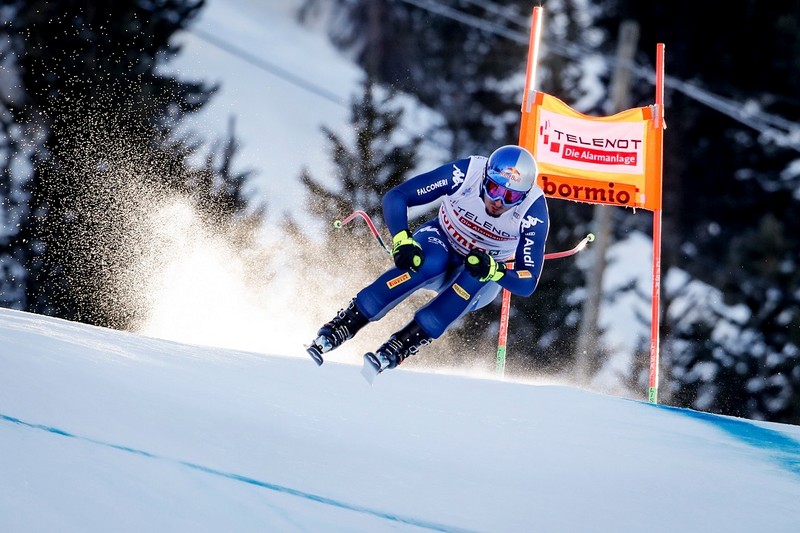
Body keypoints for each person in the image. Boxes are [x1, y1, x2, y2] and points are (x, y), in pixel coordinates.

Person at [307, 144, 550, 378]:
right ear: (485, 178)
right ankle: (344, 324)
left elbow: (528, 282)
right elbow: (398, 196)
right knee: (427, 262)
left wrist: (496, 270)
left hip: (483, 267)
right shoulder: (466, 174)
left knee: (474, 276)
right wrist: (402, 239)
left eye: (511, 196)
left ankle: (402, 345)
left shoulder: (533, 212)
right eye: (495, 189)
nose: (499, 202)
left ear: (524, 196)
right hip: (442, 239)